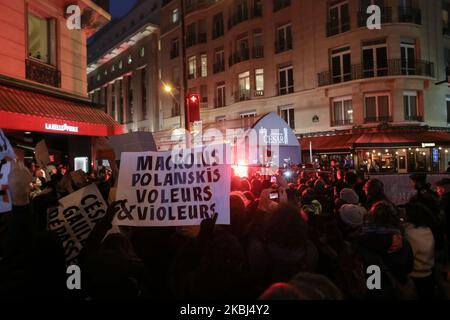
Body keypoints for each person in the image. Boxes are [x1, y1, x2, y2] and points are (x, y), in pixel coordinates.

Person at [403, 202, 436, 300]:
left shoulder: (409, 233)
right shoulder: (427, 229)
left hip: (415, 277)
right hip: (429, 274)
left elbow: (407, 258)